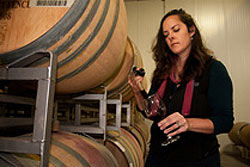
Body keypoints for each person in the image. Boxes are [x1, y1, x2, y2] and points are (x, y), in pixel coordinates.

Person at [128, 8, 234, 167]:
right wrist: (137, 90)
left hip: (198, 160)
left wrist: (188, 123)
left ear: (191, 31)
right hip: (158, 158)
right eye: (166, 34)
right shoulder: (163, 71)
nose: (170, 36)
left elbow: (225, 121)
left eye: (176, 30)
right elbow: (149, 112)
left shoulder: (213, 69)